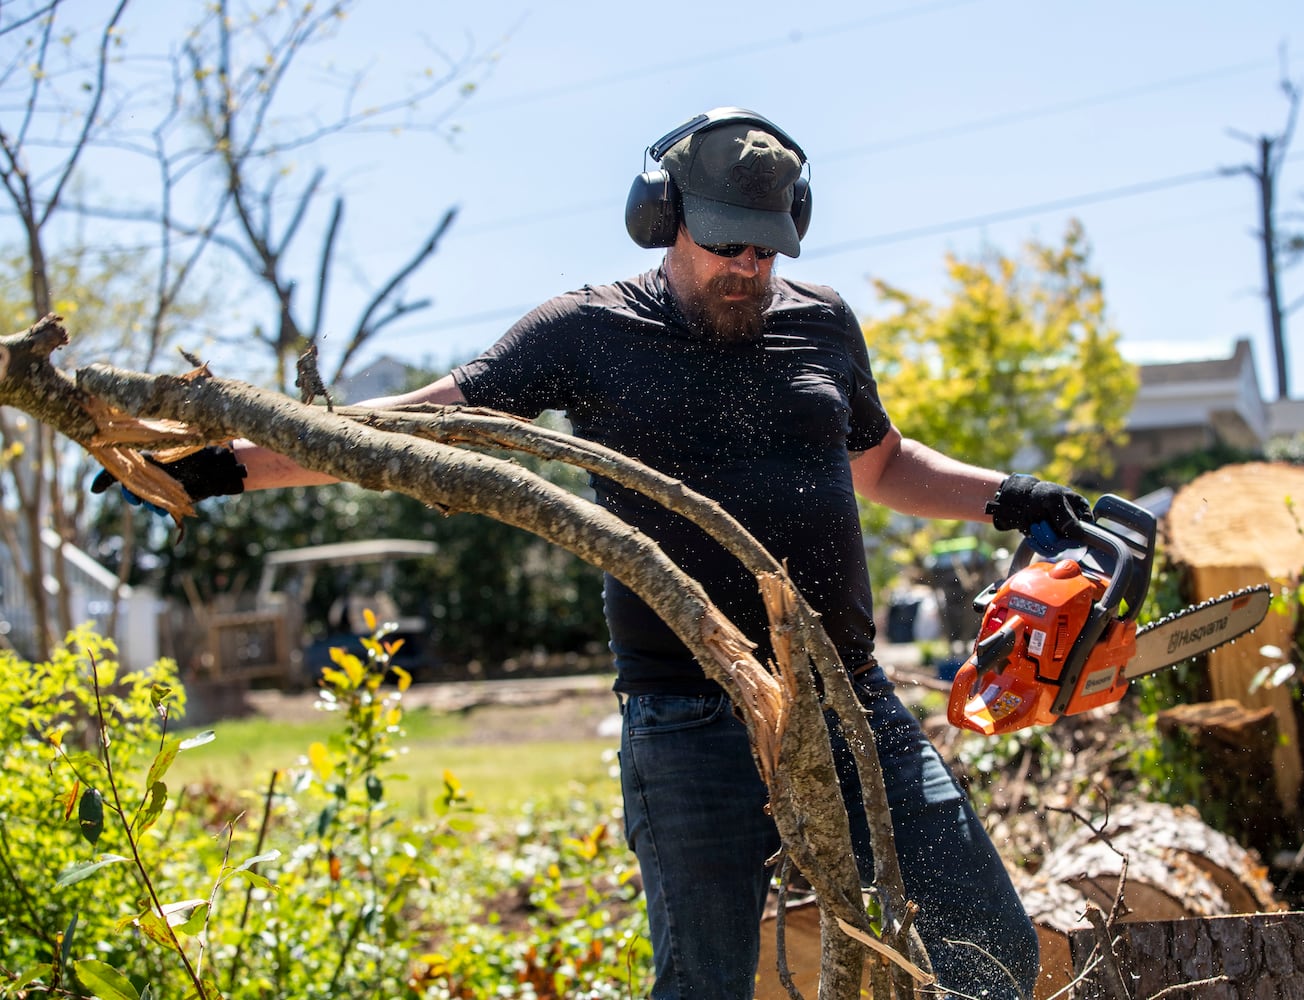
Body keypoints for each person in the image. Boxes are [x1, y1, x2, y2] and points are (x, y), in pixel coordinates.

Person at [96, 108, 1095, 999]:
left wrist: (1010, 497)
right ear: (663, 217)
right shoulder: (587, 329)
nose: (748, 264)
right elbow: (422, 427)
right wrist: (225, 464)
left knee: (992, 954)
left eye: (768, 245)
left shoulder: (822, 322)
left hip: (850, 697)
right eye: (726, 241)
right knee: (703, 981)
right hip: (685, 716)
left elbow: (880, 462)